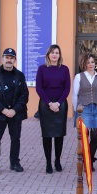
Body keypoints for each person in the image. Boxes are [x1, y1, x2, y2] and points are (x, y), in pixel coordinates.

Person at [0, 48, 29, 175]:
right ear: (2, 59)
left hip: (15, 114)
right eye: (7, 57)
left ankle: (14, 163)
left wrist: (14, 110)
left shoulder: (20, 75)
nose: (9, 60)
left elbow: (24, 95)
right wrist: (4, 110)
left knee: (15, 139)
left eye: (11, 58)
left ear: (15, 60)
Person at [36, 44, 71, 174]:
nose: (54, 55)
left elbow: (67, 88)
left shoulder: (65, 69)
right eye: (52, 52)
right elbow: (39, 88)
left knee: (59, 135)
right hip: (45, 105)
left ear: (60, 55)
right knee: (47, 135)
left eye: (57, 52)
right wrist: (50, 103)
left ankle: (57, 161)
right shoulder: (42, 69)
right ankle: (48, 162)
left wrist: (58, 103)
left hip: (61, 105)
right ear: (48, 55)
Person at [72, 53, 97, 172]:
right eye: (88, 62)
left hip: (95, 109)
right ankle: (86, 161)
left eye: (92, 62)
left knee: (95, 137)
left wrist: (94, 102)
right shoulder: (79, 77)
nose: (91, 64)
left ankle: (89, 160)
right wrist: (77, 111)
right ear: (84, 64)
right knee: (84, 138)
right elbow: (75, 95)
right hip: (83, 109)